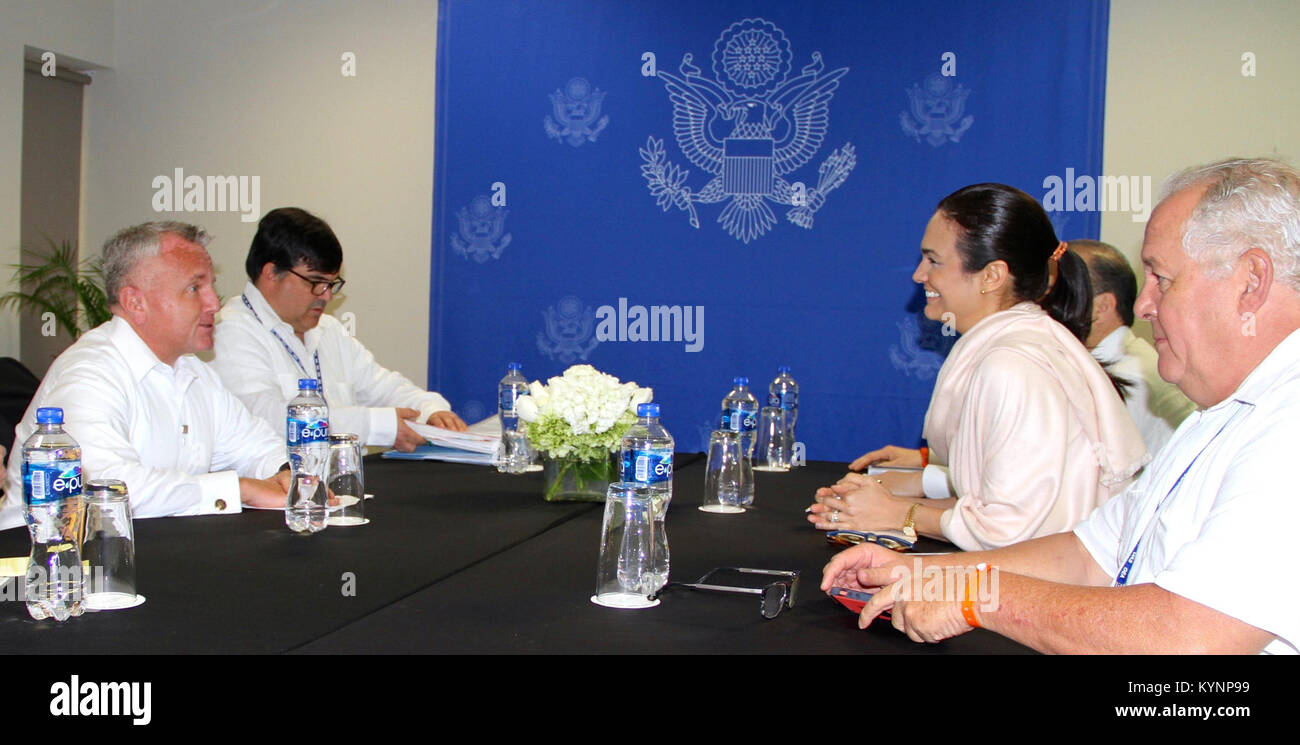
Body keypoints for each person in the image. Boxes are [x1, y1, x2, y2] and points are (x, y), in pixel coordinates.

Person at [822, 158, 1300, 654]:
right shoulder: (1222, 414)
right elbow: (1090, 554)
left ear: (1251, 281)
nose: (1142, 306)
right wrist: (921, 569)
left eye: (1162, 278)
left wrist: (976, 594)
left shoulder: (1290, 426)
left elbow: (1187, 640)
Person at [811, 184, 1149, 550]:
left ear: (992, 276)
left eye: (933, 260)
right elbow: (1005, 502)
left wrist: (899, 513)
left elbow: (1008, 530)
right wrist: (896, 499)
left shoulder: (1012, 366)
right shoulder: (1018, 343)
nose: (919, 275)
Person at [0, 222, 290, 530]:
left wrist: (284, 473)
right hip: (53, 563)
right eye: (195, 288)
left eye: (211, 287)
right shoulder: (87, 373)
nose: (214, 304)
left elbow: (253, 445)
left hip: (153, 551)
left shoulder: (192, 371)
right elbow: (108, 490)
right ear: (135, 302)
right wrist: (238, 488)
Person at [211, 207, 467, 453]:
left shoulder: (328, 329)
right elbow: (266, 418)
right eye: (316, 283)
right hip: (276, 489)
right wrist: (374, 426)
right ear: (271, 273)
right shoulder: (230, 330)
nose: (327, 296)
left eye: (332, 284)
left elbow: (381, 386)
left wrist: (430, 410)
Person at [1070, 239, 1195, 454]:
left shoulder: (1129, 380)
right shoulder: (1111, 367)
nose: (1045, 301)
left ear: (1101, 307)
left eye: (1062, 291)